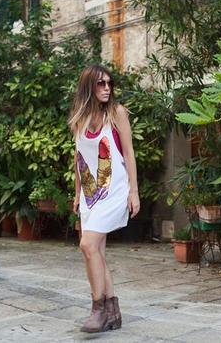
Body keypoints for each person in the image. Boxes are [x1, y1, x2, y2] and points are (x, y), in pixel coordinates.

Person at [69, 65, 140, 333]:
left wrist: (134, 191)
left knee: (88, 245)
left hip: (115, 189)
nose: (107, 88)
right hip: (89, 194)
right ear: (89, 87)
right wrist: (77, 193)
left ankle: (97, 309)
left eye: (109, 83)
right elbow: (79, 158)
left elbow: (130, 153)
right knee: (96, 251)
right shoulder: (80, 119)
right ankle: (113, 312)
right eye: (101, 84)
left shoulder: (117, 113)